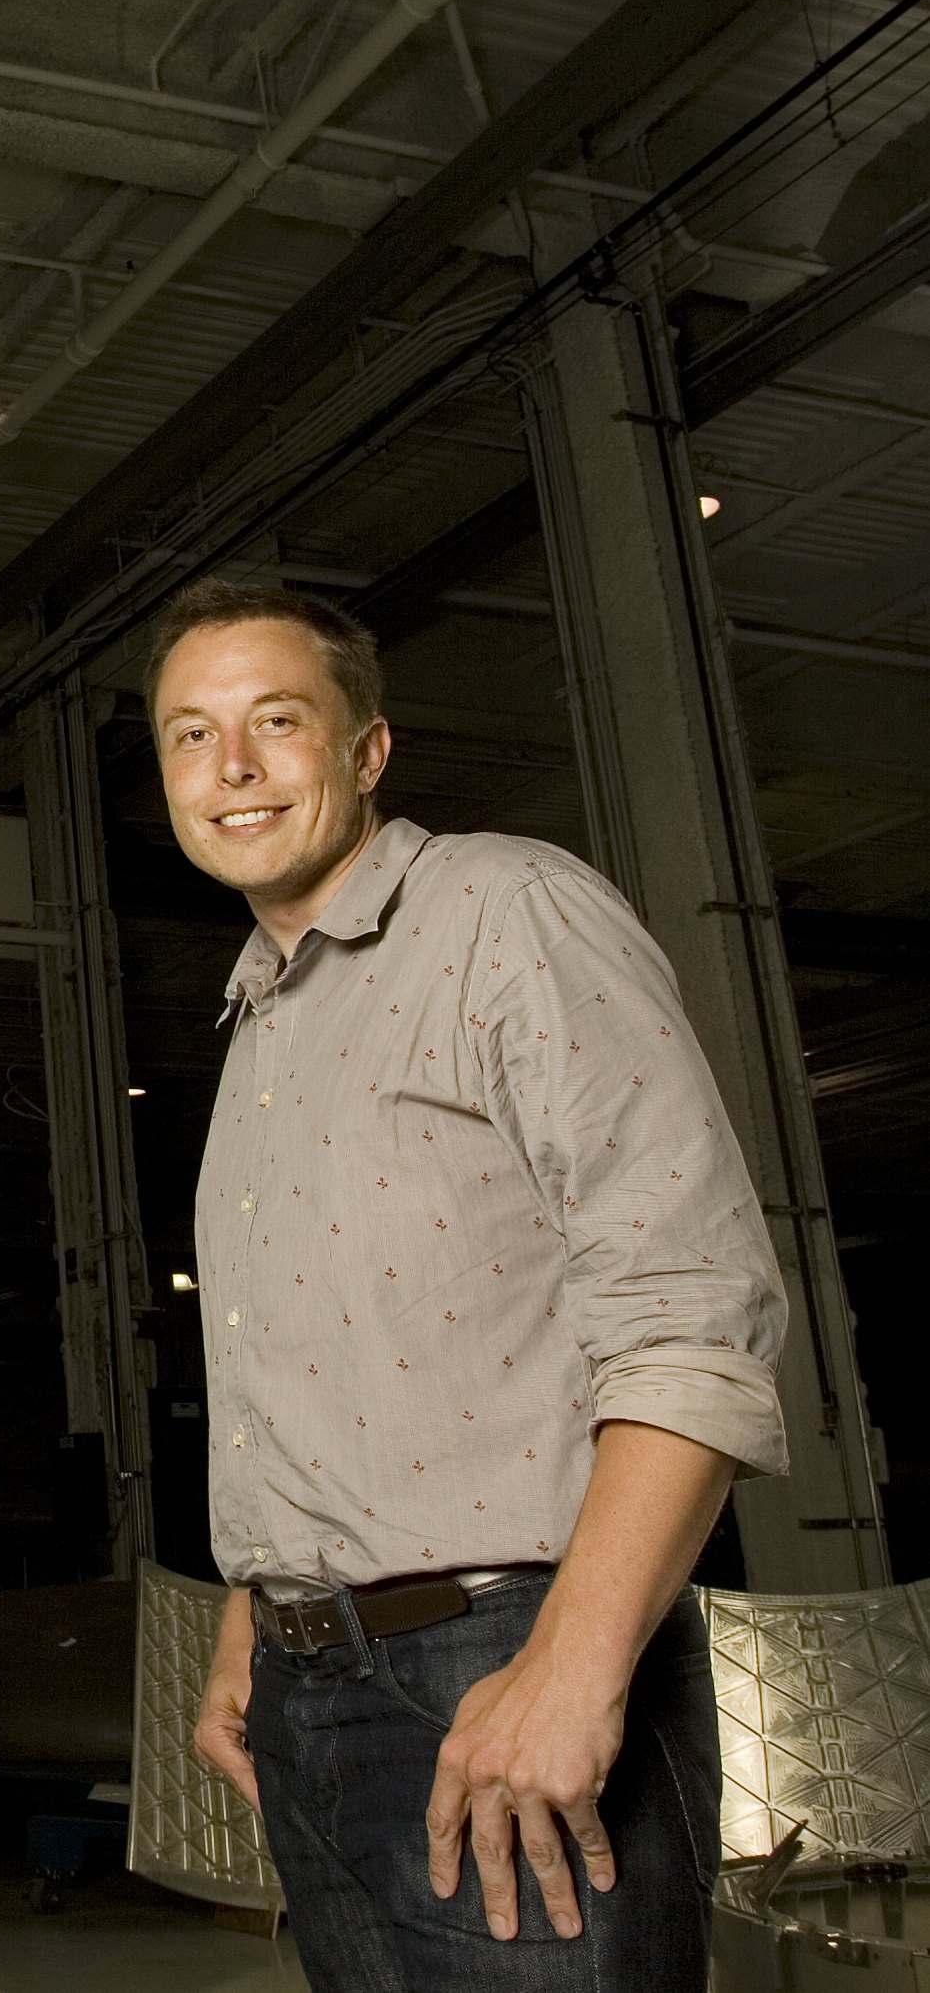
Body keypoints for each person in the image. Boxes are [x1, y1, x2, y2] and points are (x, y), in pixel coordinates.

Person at [147, 576, 785, 1991]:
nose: (230, 770)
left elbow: (690, 1310)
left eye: (274, 722)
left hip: (503, 1655)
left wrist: (570, 1671)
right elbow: (319, 1359)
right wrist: (263, 1611)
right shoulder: (262, 1008)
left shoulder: (504, 910)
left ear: (365, 751)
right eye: (190, 737)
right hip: (314, 1697)